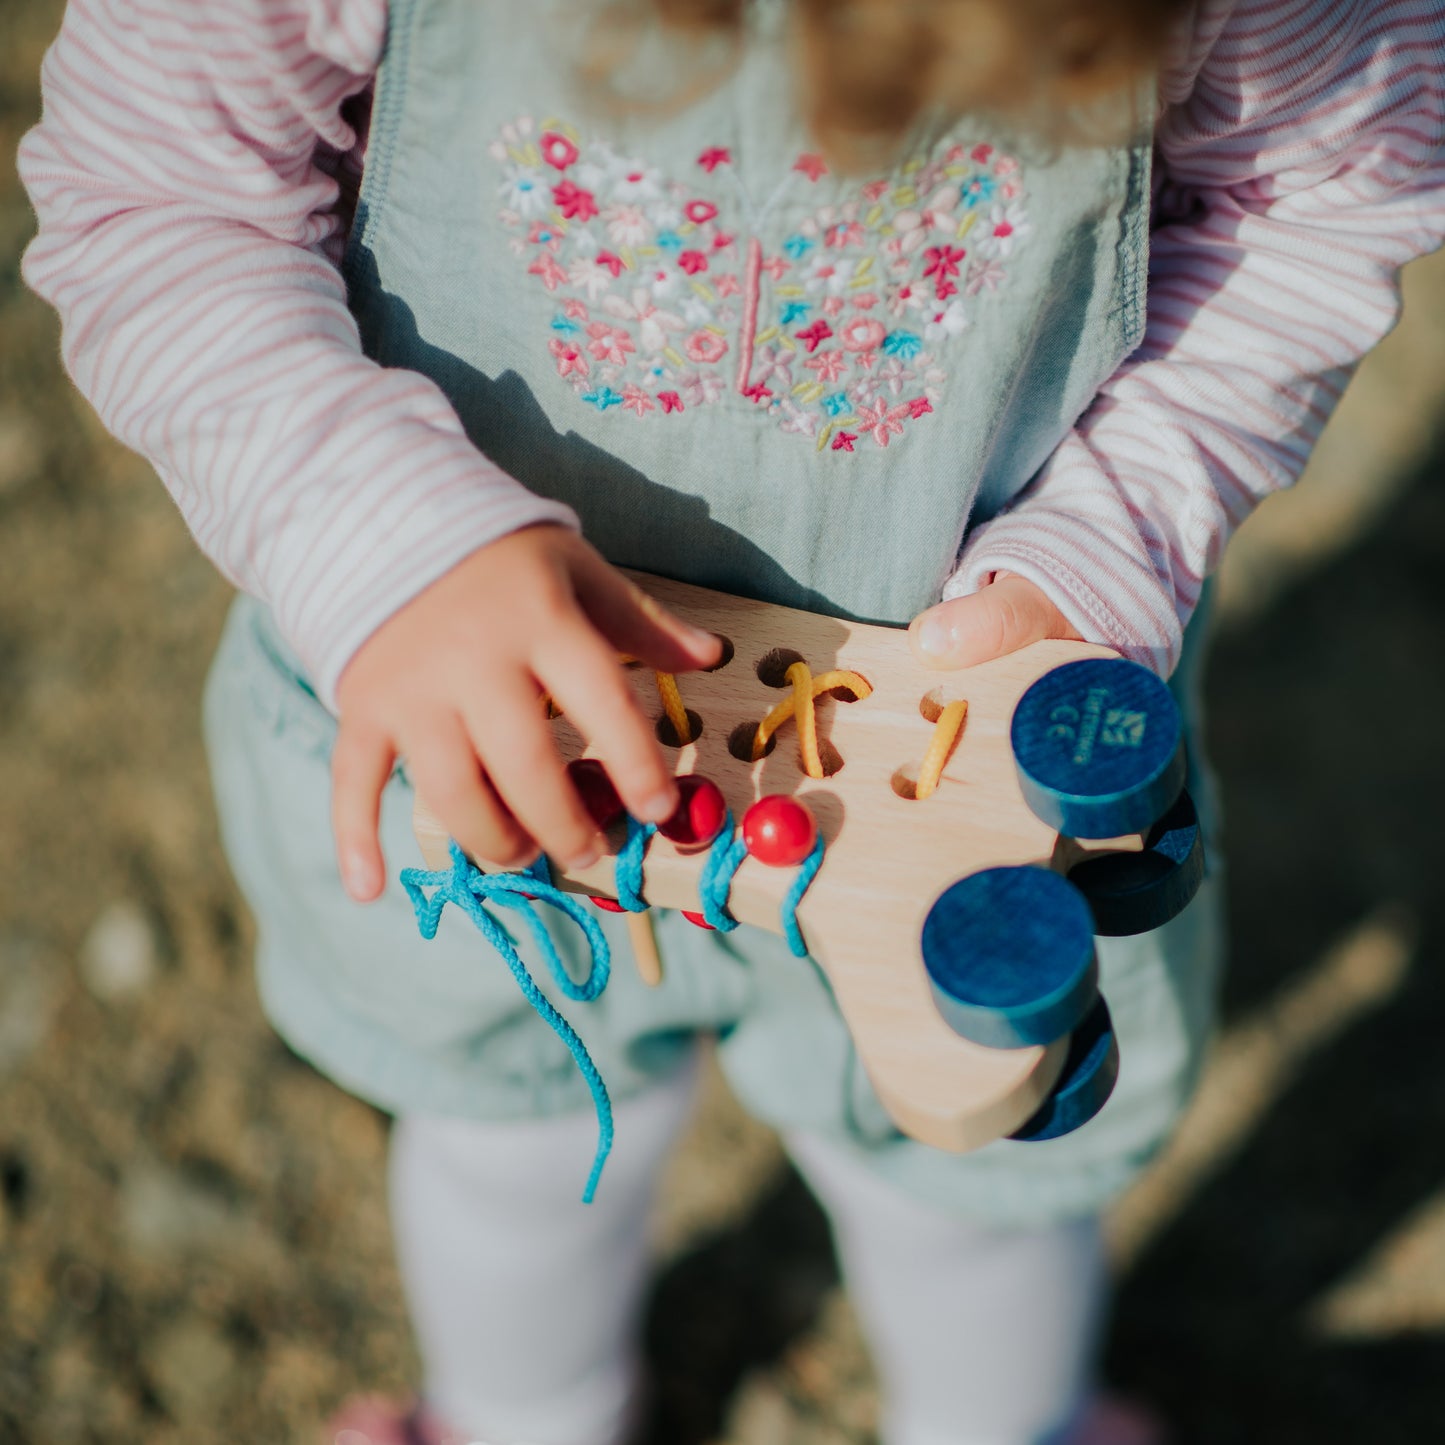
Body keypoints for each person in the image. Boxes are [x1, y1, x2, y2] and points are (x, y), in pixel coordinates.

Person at [19, 1, 1445, 1441]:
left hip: (954, 781)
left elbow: (1324, 183)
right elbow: (156, 183)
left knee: (964, 1182)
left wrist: (1101, 546)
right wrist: (382, 546)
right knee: (521, 1138)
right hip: (488, 752)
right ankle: (526, 1416)